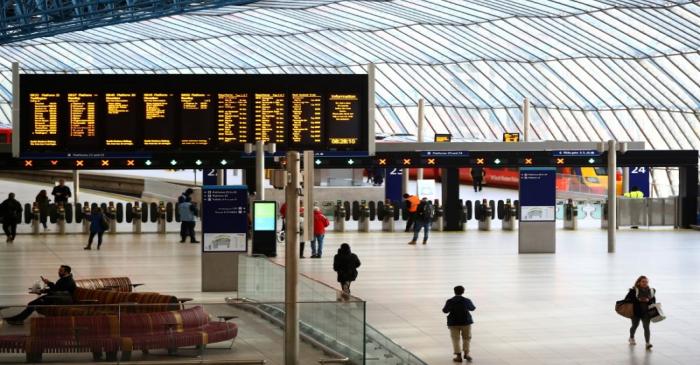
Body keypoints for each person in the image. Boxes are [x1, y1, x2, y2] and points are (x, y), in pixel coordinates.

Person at [4, 265, 76, 325]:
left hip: (59, 300)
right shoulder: (65, 279)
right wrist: (43, 289)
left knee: (33, 304)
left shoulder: (68, 281)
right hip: (55, 297)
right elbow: (57, 289)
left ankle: (18, 319)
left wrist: (47, 287)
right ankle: (18, 318)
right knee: (32, 303)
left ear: (66, 272)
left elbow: (57, 291)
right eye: (59, 270)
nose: (59, 272)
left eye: (60, 271)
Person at [442, 285, 476, 363]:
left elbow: (445, 311)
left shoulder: (450, 301)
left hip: (453, 323)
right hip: (466, 322)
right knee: (466, 338)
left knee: (455, 339)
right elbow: (472, 308)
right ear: (463, 292)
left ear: (454, 292)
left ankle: (458, 356)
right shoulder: (466, 300)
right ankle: (466, 354)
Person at [624, 275, 656, 350]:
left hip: (646, 313)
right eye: (643, 282)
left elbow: (653, 301)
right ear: (638, 282)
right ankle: (631, 337)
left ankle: (647, 343)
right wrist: (639, 300)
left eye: (646, 282)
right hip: (636, 312)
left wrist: (648, 300)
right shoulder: (633, 291)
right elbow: (627, 300)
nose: (645, 283)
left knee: (646, 327)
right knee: (635, 325)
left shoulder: (651, 291)